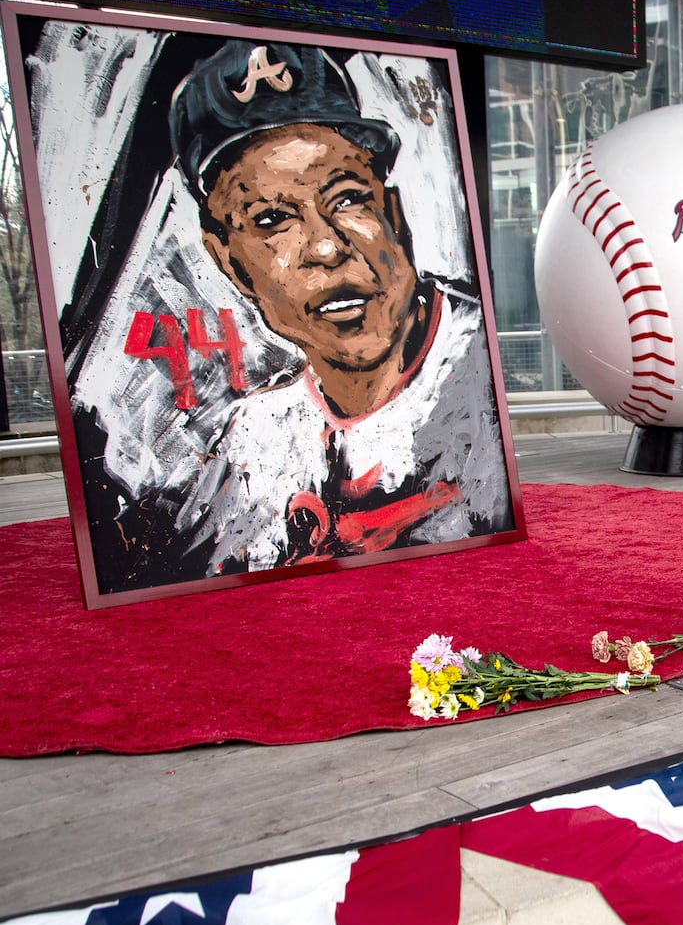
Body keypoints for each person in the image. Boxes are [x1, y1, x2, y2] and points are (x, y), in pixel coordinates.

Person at [167, 41, 511, 572]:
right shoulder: (251, 440)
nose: (326, 247)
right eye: (271, 220)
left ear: (392, 212)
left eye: (348, 198)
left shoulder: (477, 373)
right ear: (229, 264)